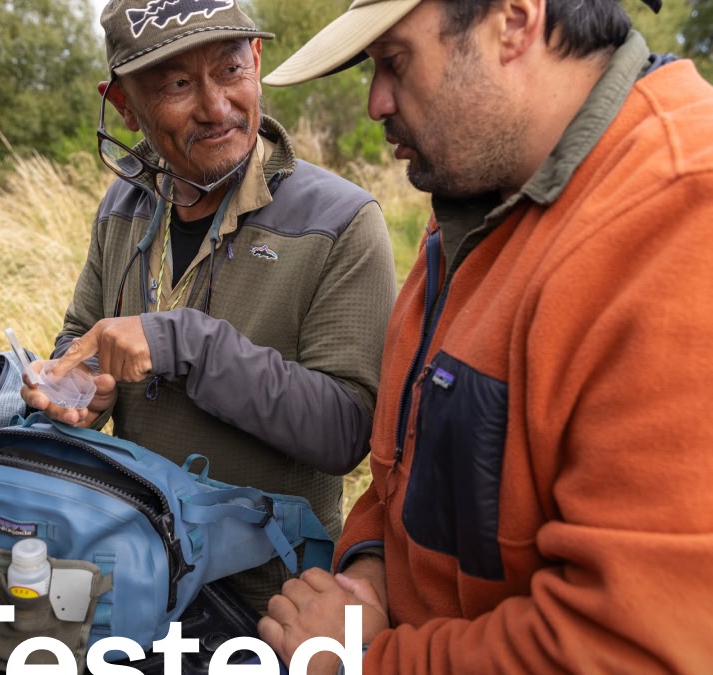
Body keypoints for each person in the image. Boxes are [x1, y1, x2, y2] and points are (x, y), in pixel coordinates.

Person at [257, 0, 713, 671]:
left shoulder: (679, 221)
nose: (376, 102)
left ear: (515, 21)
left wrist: (362, 658)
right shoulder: (479, 199)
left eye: (395, 61)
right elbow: (400, 472)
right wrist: (367, 578)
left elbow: (633, 644)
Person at [21, 0, 398, 612]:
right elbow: (80, 334)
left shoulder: (341, 222)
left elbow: (346, 429)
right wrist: (78, 385)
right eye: (176, 84)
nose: (216, 107)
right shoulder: (123, 205)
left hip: (268, 600)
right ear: (124, 105)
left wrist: (186, 344)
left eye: (229, 69)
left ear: (257, 60)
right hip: (130, 569)